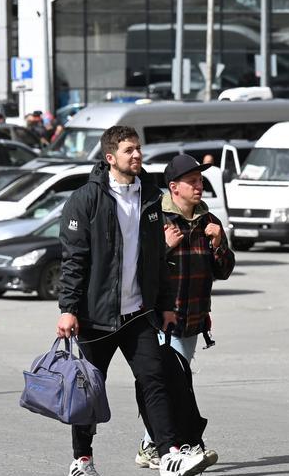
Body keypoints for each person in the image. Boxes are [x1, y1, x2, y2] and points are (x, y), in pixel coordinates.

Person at [56, 126, 216, 476]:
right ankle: (82, 459)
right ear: (110, 157)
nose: (137, 155)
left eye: (138, 149)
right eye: (129, 150)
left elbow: (156, 258)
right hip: (95, 317)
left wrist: (166, 306)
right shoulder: (86, 199)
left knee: (154, 378)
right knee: (88, 391)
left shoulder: (150, 198)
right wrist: (68, 309)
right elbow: (73, 259)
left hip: (137, 314)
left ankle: (169, 453)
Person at [135, 154, 235, 469]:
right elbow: (136, 269)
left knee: (169, 383)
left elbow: (224, 271)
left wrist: (219, 244)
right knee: (169, 382)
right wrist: (162, 247)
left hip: (192, 318)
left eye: (200, 180)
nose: (199, 186)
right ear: (174, 187)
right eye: (192, 181)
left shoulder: (209, 222)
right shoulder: (156, 219)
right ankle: (176, 446)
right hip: (160, 316)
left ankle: (152, 445)